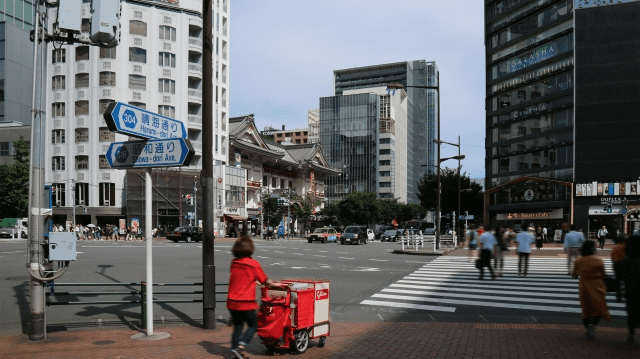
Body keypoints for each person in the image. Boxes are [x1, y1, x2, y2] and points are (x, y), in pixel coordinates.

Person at [226, 236, 274, 359]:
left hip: (232, 301)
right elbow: (265, 280)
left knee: (238, 326)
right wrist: (274, 283)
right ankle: (241, 346)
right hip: (245, 301)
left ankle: (234, 350)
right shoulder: (253, 264)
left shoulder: (234, 263)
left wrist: (253, 281)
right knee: (253, 325)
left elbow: (242, 278)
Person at [573, 240, 611, 340]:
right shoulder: (599, 261)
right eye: (595, 247)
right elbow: (604, 274)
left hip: (584, 285)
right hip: (598, 285)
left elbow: (574, 275)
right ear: (592, 249)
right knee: (599, 307)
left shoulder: (578, 261)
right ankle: (593, 326)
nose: (596, 249)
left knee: (586, 309)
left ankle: (588, 328)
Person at [620, 235, 640, 344]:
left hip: (630, 290)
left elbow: (622, 276)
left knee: (631, 312)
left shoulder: (626, 259)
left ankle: (631, 334)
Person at [611, 234, 627, 302]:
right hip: (625, 264)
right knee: (627, 281)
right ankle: (626, 295)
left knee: (618, 281)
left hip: (616, 264)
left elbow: (612, 256)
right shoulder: (626, 247)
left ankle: (618, 296)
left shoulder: (615, 247)